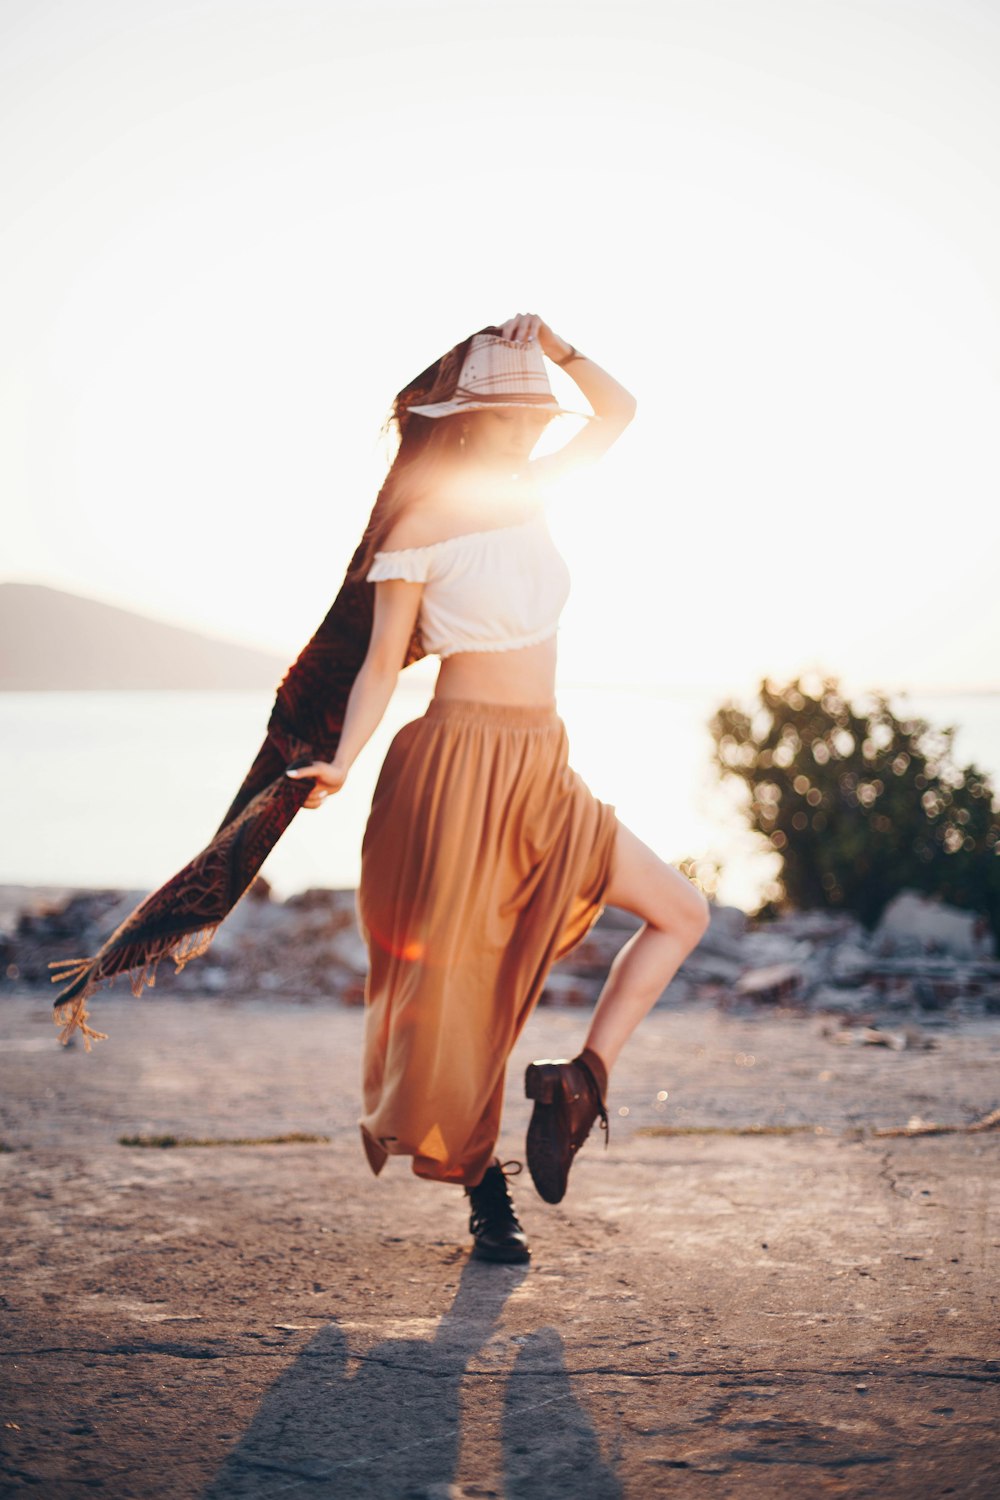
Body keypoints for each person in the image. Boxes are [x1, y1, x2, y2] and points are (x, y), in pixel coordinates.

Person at [287, 314, 710, 1264]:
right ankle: (487, 1197)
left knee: (681, 912)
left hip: (542, 765)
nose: (530, 428)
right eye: (513, 412)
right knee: (454, 1002)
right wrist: (345, 760)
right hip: (454, 769)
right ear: (467, 420)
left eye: (536, 412)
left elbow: (621, 411)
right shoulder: (420, 521)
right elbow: (383, 664)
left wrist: (558, 349)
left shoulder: (539, 495)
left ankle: (578, 1083)